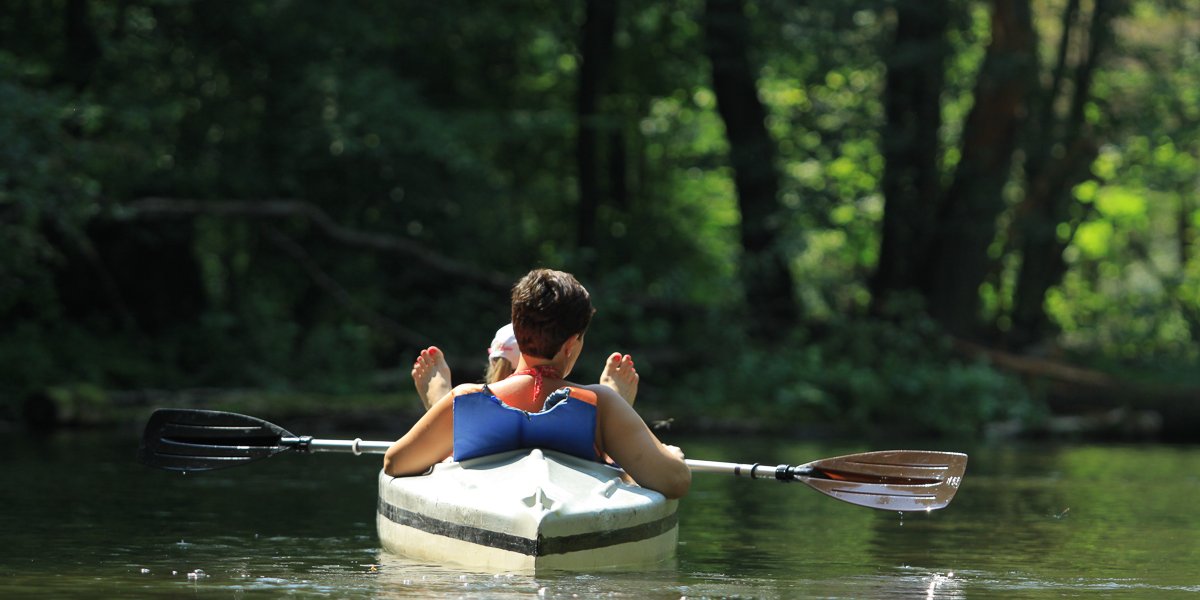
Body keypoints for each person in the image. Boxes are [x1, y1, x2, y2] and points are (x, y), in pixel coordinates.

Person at [385, 269, 690, 499]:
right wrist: (671, 456)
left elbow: (395, 463)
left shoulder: (466, 398)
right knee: (615, 423)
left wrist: (446, 403)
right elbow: (675, 482)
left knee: (450, 414)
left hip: (481, 468)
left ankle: (442, 422)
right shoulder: (600, 403)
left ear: (516, 331)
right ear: (571, 345)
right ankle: (611, 442)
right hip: (594, 442)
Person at [411, 324, 640, 410]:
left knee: (457, 423)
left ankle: (440, 409)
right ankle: (618, 410)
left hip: (475, 427)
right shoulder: (586, 403)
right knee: (604, 430)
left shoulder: (468, 399)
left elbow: (394, 461)